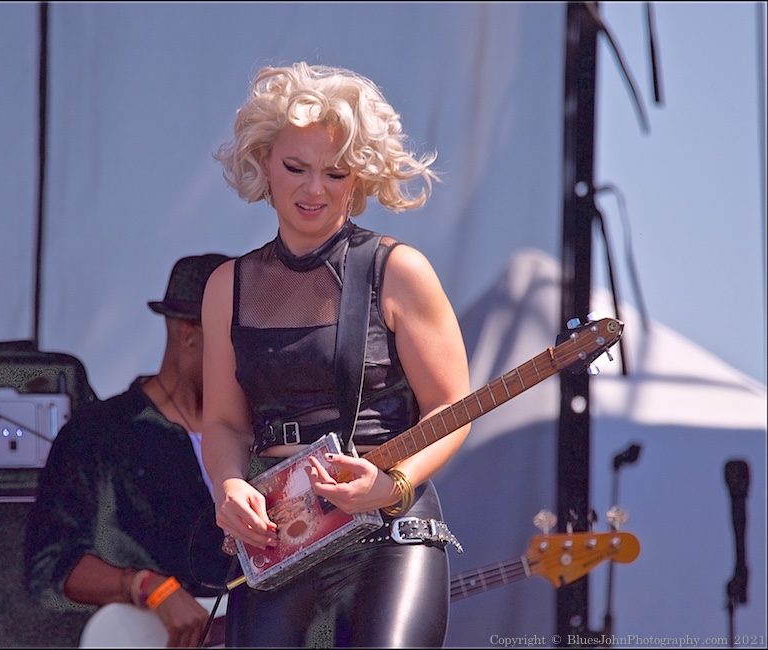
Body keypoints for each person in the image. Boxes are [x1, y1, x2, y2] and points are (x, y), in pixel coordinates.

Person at [201, 62, 472, 648]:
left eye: (335, 172)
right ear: (263, 163)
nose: (313, 189)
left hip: (388, 530)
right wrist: (228, 487)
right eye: (295, 168)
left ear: (359, 178)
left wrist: (393, 483)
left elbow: (453, 407)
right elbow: (222, 421)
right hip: (279, 534)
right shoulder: (227, 286)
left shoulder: (399, 270)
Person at [24, 254, 233, 649]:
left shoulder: (261, 435)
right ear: (191, 336)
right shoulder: (99, 434)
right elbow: (50, 567)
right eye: (237, 341)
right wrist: (148, 586)